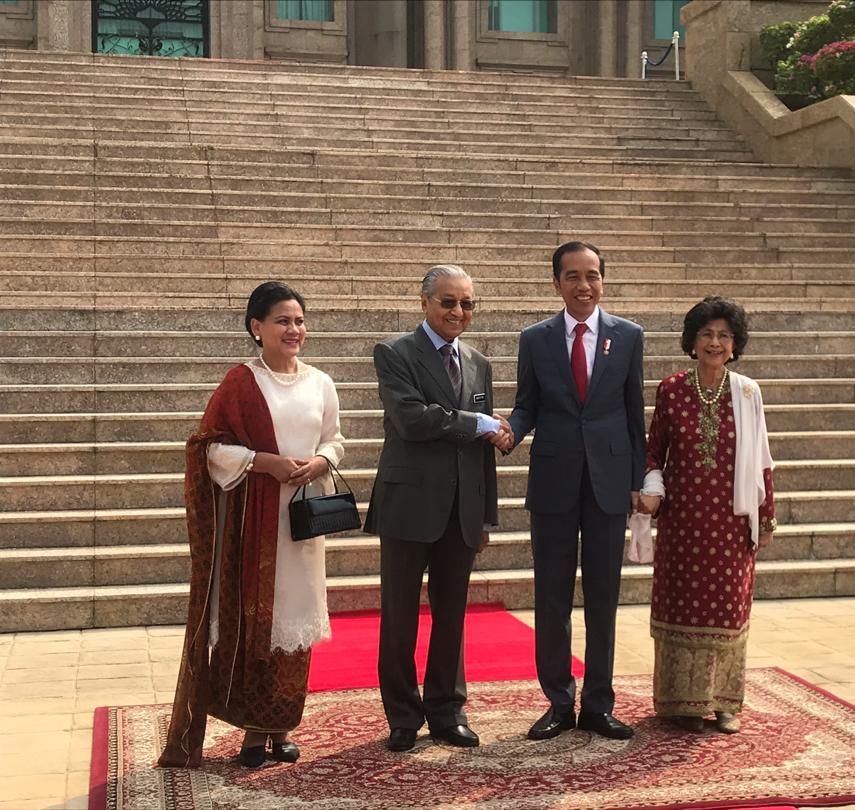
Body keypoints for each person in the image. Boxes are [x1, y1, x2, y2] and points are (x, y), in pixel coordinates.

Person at [159, 282, 345, 769]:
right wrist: (265, 462)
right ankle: (252, 732)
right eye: (283, 320)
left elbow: (335, 440)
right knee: (257, 624)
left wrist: (322, 461)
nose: (294, 329)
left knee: (296, 623)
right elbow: (208, 448)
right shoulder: (241, 382)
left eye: (300, 320)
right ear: (256, 328)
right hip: (251, 529)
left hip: (300, 524)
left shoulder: (320, 382)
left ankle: (280, 728)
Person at [365, 264, 510, 753]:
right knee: (400, 617)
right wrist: (477, 421)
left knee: (452, 618)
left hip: (461, 511)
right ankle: (403, 715)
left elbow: (480, 445)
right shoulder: (395, 352)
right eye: (448, 301)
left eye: (467, 303)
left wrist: (486, 514)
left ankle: (448, 710)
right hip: (409, 506)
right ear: (424, 302)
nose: (458, 311)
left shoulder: (478, 362)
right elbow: (411, 419)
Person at [506, 241, 646, 741]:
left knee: (604, 596)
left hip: (609, 484)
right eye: (572, 277)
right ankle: (559, 702)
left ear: (603, 281)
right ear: (556, 283)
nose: (583, 286)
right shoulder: (536, 339)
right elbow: (527, 405)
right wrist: (510, 431)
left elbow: (634, 414)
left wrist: (639, 480)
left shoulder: (628, 336)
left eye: (592, 276)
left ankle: (599, 704)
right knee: (552, 597)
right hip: (554, 480)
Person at [636, 297, 776, 734]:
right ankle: (682, 703)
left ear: (735, 345)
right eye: (706, 334)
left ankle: (724, 703)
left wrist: (765, 515)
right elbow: (653, 450)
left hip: (733, 523)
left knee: (728, 608)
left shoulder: (749, 393)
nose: (715, 343)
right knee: (683, 603)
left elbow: (763, 462)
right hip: (684, 522)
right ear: (692, 342)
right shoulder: (672, 389)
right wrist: (652, 488)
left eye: (724, 335)